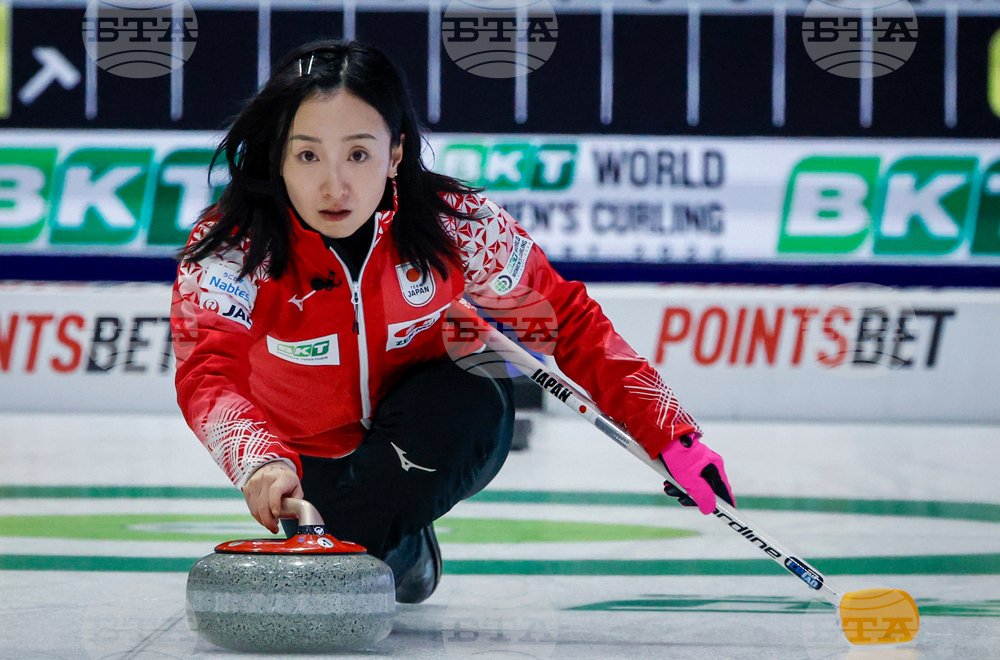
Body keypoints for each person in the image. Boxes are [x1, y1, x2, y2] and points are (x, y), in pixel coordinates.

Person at [170, 39, 735, 605]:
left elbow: (564, 317)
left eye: (359, 155)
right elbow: (207, 374)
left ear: (395, 153)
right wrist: (259, 461)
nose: (334, 187)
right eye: (308, 155)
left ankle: (377, 531)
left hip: (427, 424)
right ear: (277, 155)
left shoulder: (458, 226)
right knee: (336, 560)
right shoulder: (234, 247)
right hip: (301, 457)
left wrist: (671, 433)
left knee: (472, 395)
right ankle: (396, 545)